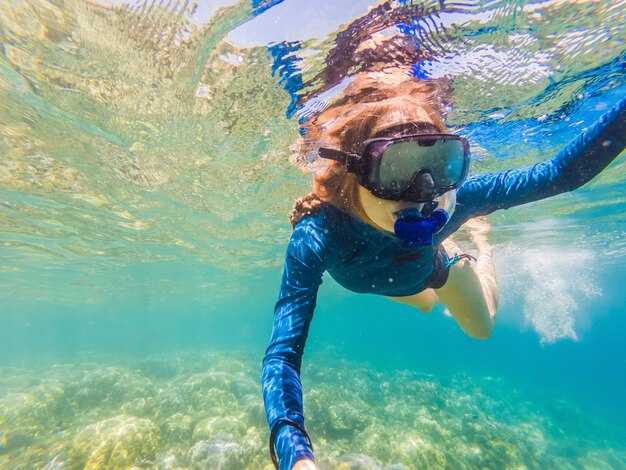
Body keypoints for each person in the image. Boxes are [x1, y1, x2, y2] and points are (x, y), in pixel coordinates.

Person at [259, 6, 625, 470]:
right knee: (426, 302)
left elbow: (560, 174)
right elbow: (282, 358)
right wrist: (296, 455)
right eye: (398, 169)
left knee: (481, 328)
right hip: (401, 282)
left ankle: (479, 250)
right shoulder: (319, 234)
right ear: (354, 173)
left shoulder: (460, 200)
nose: (426, 194)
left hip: (434, 266)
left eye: (442, 165)